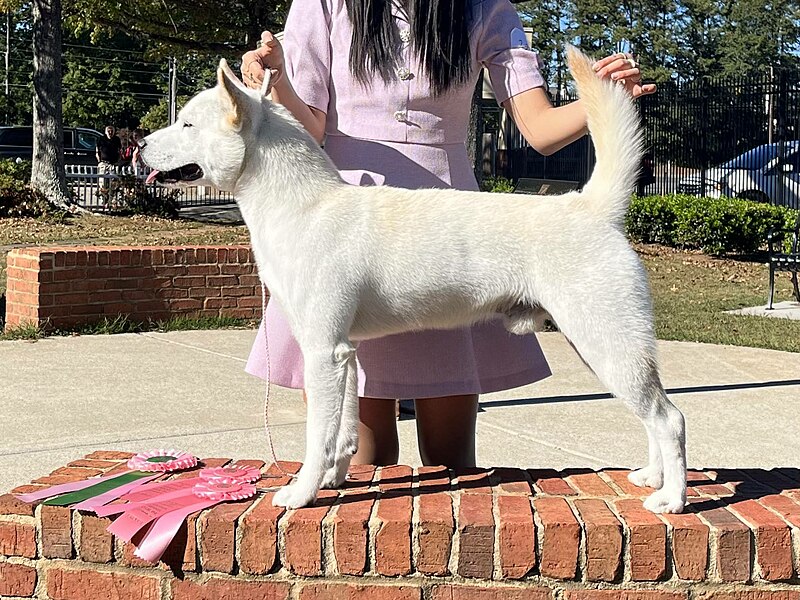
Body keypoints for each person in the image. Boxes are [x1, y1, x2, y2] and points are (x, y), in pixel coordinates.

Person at [240, 0, 654, 470]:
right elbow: (309, 126)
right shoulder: (324, 3)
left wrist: (603, 100)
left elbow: (539, 129)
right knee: (361, 466)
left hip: (452, 244)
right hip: (344, 236)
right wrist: (278, 81)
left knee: (452, 463)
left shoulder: (486, 8)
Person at [95, 125, 122, 190]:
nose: (110, 132)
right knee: (102, 182)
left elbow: (120, 150)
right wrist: (99, 160)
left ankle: (111, 197)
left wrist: (118, 160)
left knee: (113, 183)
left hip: (113, 163)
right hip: (103, 163)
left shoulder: (116, 139)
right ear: (105, 132)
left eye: (112, 131)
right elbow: (97, 150)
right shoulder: (101, 139)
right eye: (108, 131)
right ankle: (103, 197)